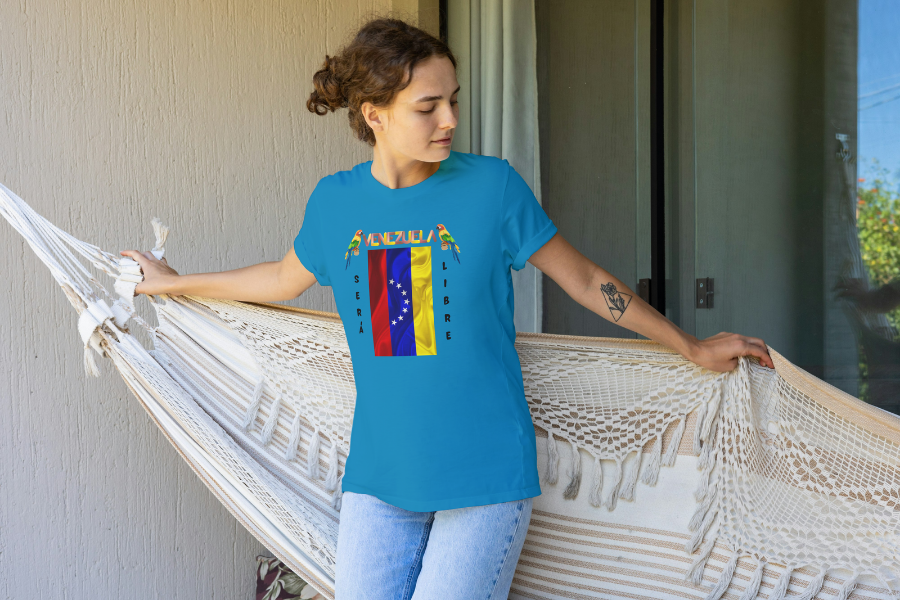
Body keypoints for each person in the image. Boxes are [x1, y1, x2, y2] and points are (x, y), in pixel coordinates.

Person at [120, 16, 774, 600]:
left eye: (453, 100)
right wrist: (173, 283)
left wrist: (691, 346)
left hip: (484, 477)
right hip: (380, 476)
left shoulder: (492, 187)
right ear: (375, 115)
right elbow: (282, 278)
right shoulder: (335, 203)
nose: (450, 120)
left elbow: (583, 280)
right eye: (428, 106)